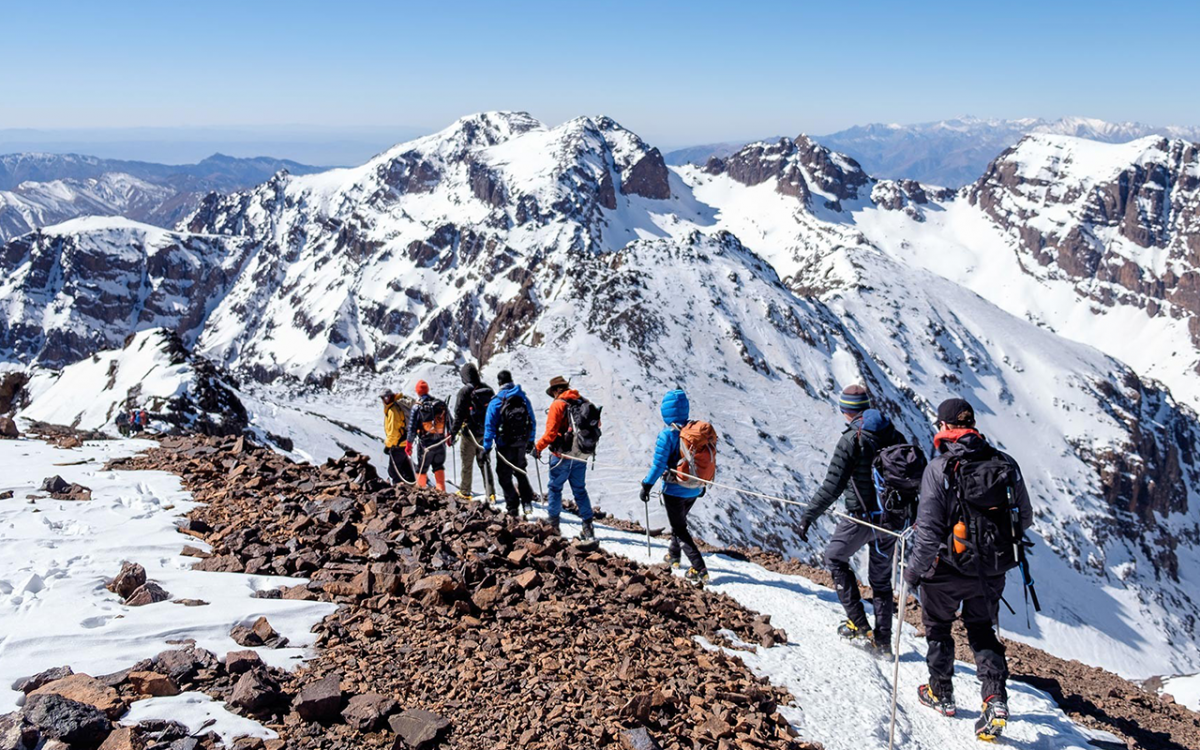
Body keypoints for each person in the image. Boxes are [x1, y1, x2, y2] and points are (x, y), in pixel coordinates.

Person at [905, 397, 1032, 741]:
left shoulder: (939, 469)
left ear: (945, 427)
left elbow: (928, 532)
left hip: (945, 569)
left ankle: (941, 693)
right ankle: (995, 700)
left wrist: (912, 573)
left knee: (938, 628)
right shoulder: (1005, 463)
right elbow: (1025, 516)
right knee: (981, 630)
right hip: (991, 569)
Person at [797, 384, 906, 654]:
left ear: (845, 410)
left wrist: (809, 515)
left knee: (835, 557)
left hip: (861, 519)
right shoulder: (893, 433)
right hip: (891, 520)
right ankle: (883, 642)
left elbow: (833, 485)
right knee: (881, 582)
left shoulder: (851, 439)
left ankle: (858, 623)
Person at [640, 389, 708, 586]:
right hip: (695, 488)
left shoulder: (667, 435)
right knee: (678, 522)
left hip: (674, 490)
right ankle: (674, 555)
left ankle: (699, 568)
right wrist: (703, 483)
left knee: (679, 528)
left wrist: (647, 485)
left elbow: (658, 465)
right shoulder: (696, 432)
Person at [534, 376, 595, 540]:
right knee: (579, 490)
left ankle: (553, 524)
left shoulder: (558, 404)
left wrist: (538, 448)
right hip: (581, 454)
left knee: (555, 488)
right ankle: (588, 527)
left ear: (555, 390)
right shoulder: (583, 402)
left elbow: (551, 433)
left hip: (561, 454)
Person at [482, 370, 537, 517]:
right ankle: (527, 502)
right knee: (520, 471)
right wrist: (530, 441)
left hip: (504, 445)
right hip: (521, 443)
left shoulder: (496, 402)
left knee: (503, 475)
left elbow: (489, 427)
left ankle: (513, 507)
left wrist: (486, 447)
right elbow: (532, 421)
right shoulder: (523, 399)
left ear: (499, 383)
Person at [450, 363, 496, 501]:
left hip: (469, 434)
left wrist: (452, 434)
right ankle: (491, 493)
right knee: (485, 462)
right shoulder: (488, 389)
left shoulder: (465, 391)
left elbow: (459, 416)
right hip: (485, 433)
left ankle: (465, 491)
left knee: (467, 463)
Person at [406, 380, 450, 491]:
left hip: (425, 445)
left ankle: (420, 492)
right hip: (440, 443)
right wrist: (450, 438)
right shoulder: (440, 404)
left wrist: (409, 445)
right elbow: (450, 422)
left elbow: (411, 429)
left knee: (421, 469)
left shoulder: (417, 407)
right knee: (438, 466)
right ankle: (442, 491)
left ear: (418, 392)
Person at [381, 390, 415, 485]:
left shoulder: (392, 410)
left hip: (397, 445)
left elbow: (393, 433)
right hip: (404, 442)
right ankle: (413, 486)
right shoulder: (398, 406)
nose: (385, 400)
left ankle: (399, 489)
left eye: (386, 397)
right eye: (383, 398)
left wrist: (388, 445)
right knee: (405, 467)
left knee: (393, 471)